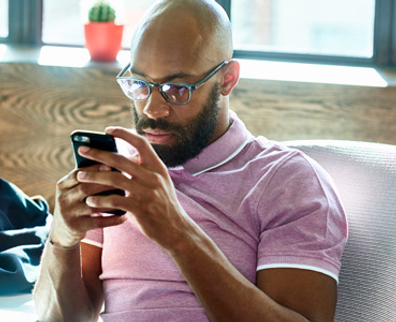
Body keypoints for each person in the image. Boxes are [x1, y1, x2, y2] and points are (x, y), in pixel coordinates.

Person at [33, 0, 348, 321]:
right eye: (140, 85)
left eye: (177, 88)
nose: (153, 110)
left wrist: (178, 235)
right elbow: (62, 318)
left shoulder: (288, 181)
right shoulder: (118, 170)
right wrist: (62, 239)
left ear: (227, 79)